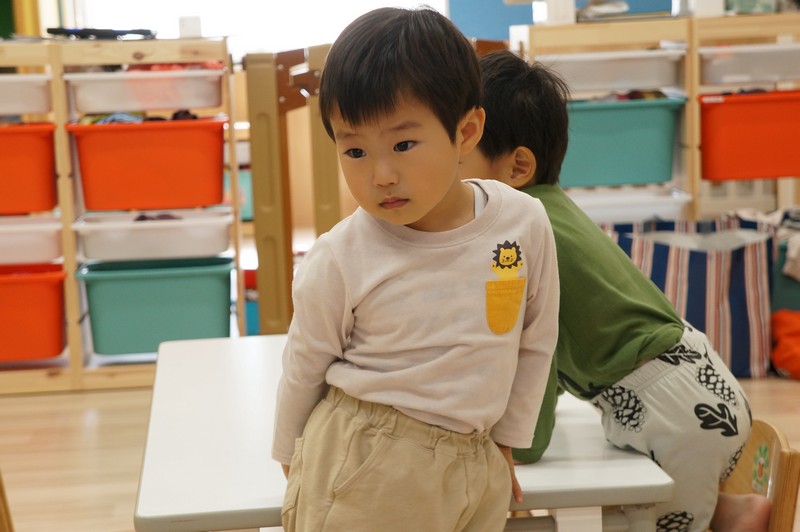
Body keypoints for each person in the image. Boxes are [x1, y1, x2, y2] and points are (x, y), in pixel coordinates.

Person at [271, 9, 560, 532]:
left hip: (475, 458)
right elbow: (304, 363)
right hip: (368, 457)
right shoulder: (341, 255)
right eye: (355, 150)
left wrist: (507, 442)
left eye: (403, 145)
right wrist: (292, 460)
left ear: (466, 131)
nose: (381, 175)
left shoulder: (524, 222)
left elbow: (536, 340)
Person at [460, 49, 772, 532]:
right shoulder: (551, 211)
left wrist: (520, 443)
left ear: (517, 167)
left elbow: (533, 353)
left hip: (677, 414)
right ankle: (736, 514)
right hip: (693, 387)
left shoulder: (519, 236)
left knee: (637, 521)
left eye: (458, 161)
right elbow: (563, 332)